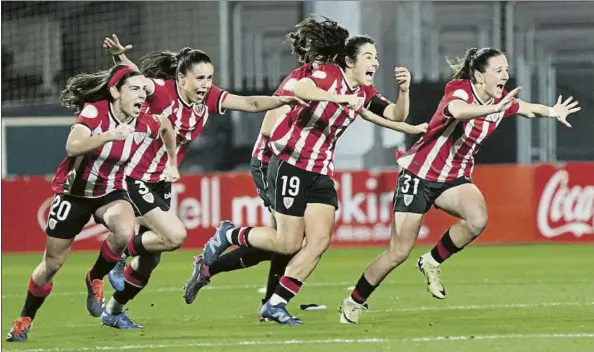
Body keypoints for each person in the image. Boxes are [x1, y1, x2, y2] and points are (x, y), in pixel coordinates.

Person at [339, 47, 581, 324]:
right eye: (498, 70)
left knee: (477, 220)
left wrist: (552, 111)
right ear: (479, 75)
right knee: (398, 252)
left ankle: (431, 261)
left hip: (453, 178)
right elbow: (457, 110)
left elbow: (526, 109)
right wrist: (494, 108)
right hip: (419, 175)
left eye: (506, 69)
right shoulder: (461, 91)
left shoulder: (499, 99)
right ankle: (353, 301)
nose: (505, 75)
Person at [201, 33, 425, 324]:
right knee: (286, 243)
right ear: (349, 60)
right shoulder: (328, 74)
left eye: (376, 57)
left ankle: (276, 303)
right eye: (368, 56)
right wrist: (338, 97)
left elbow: (395, 114)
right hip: (291, 164)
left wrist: (404, 91)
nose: (375, 62)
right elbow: (303, 89)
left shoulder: (364, 92)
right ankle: (229, 234)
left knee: (319, 241)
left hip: (320, 171)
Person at [100, 36, 304, 323]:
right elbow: (134, 78)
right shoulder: (160, 91)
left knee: (150, 260)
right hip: (132, 176)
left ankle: (113, 311)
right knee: (174, 237)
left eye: (209, 77)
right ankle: (116, 253)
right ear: (181, 78)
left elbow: (248, 102)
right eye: (199, 78)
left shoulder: (208, 98)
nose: (206, 83)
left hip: (160, 181)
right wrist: (118, 57)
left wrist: (281, 100)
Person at [6, 65, 178, 341]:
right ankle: (25, 318)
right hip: (72, 195)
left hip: (111, 192)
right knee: (51, 264)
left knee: (124, 231)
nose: (141, 96)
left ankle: (95, 277)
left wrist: (171, 161)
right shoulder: (95, 111)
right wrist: (110, 135)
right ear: (114, 92)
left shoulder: (145, 122)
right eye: (134, 89)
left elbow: (167, 126)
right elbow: (72, 147)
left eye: (143, 91)